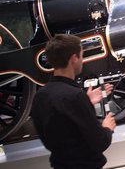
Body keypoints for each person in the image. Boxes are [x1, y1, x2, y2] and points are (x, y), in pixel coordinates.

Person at [31, 34, 116, 169]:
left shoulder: (40, 96)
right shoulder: (75, 96)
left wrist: (86, 102)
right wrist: (107, 128)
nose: (82, 60)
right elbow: (100, 142)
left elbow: (57, 130)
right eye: (82, 56)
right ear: (74, 59)